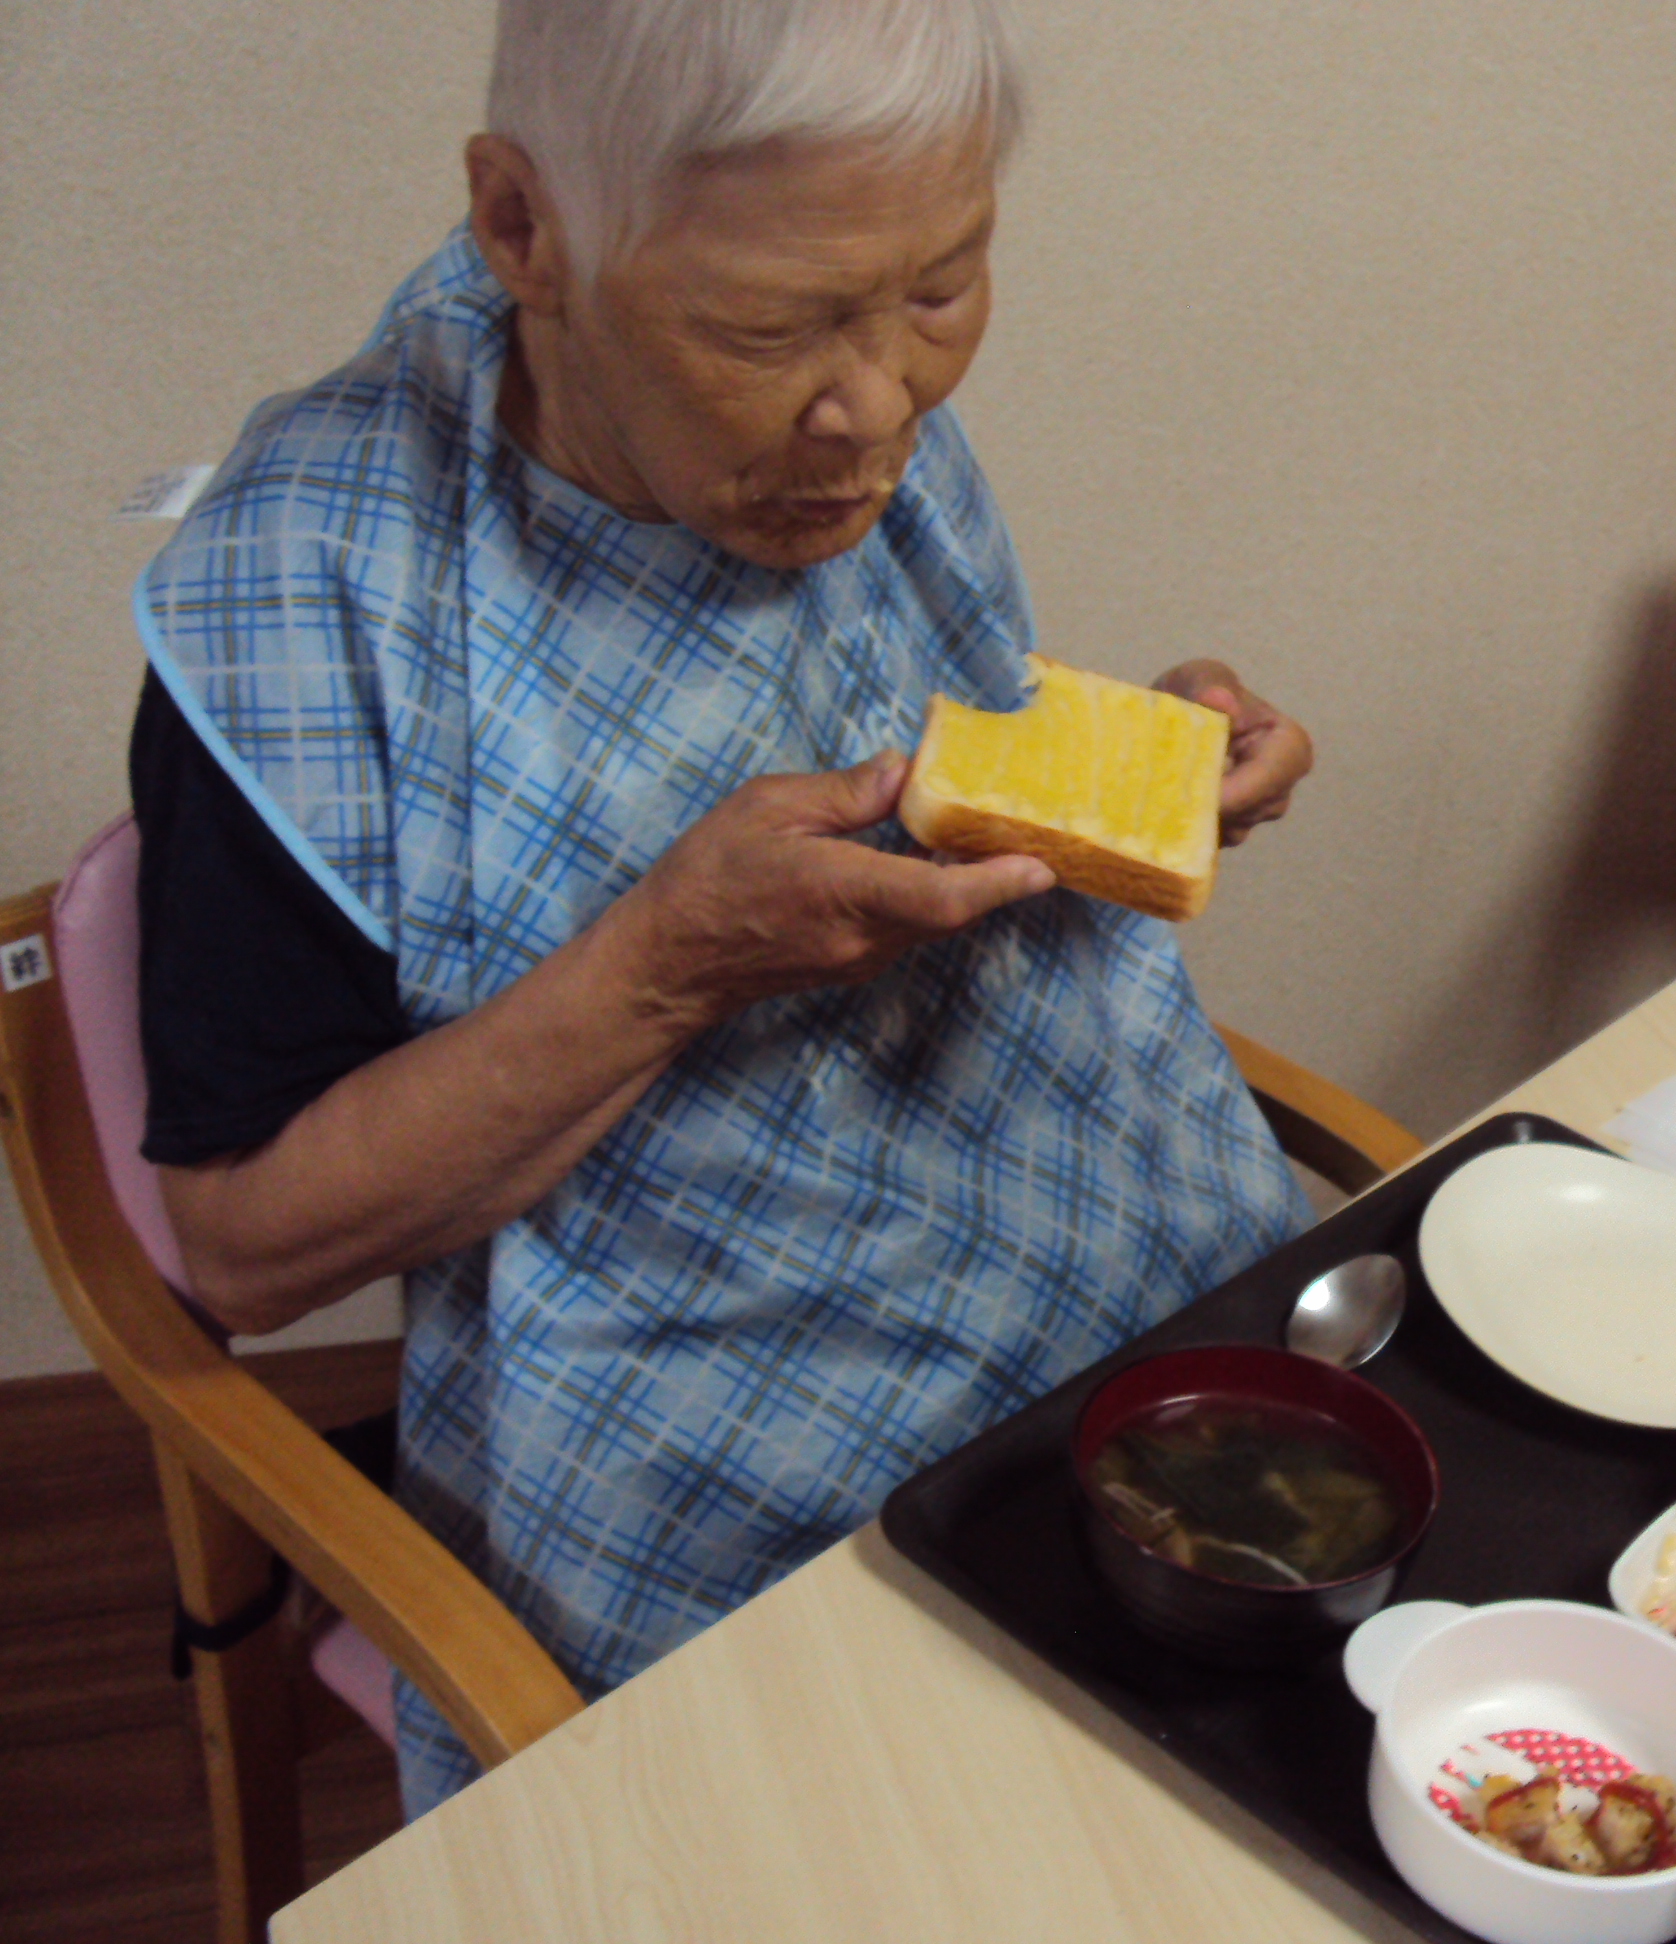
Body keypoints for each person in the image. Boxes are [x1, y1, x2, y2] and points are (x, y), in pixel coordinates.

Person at [127, 0, 1318, 1815]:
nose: (878, 408)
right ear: (522, 227)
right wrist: (667, 965)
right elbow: (244, 1247)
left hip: (1133, 1279)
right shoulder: (307, 596)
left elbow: (932, 757)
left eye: (942, 290)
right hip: (716, 1446)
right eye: (768, 330)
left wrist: (1144, 769)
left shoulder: (848, 428)